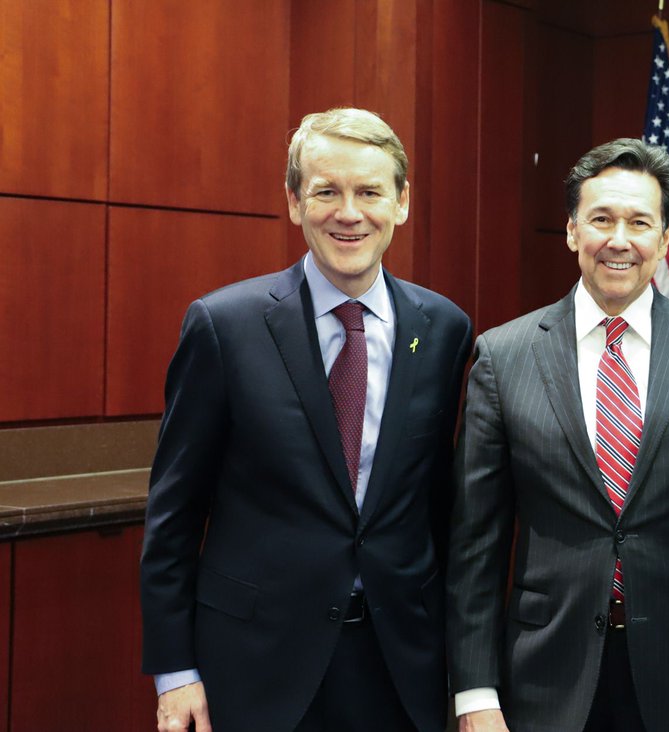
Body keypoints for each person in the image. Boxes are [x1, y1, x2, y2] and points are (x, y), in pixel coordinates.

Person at [140, 107, 472, 732]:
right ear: (294, 202)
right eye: (326, 191)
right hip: (255, 668)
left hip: (401, 666)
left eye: (370, 191)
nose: (349, 213)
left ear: (402, 203)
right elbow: (174, 513)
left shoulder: (446, 329)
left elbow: (440, 511)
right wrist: (174, 672)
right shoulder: (224, 326)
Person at [447, 138, 669, 732]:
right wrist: (476, 693)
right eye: (601, 219)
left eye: (639, 222)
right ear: (573, 230)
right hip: (546, 673)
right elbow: (476, 543)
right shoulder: (504, 356)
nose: (619, 240)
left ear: (663, 237)